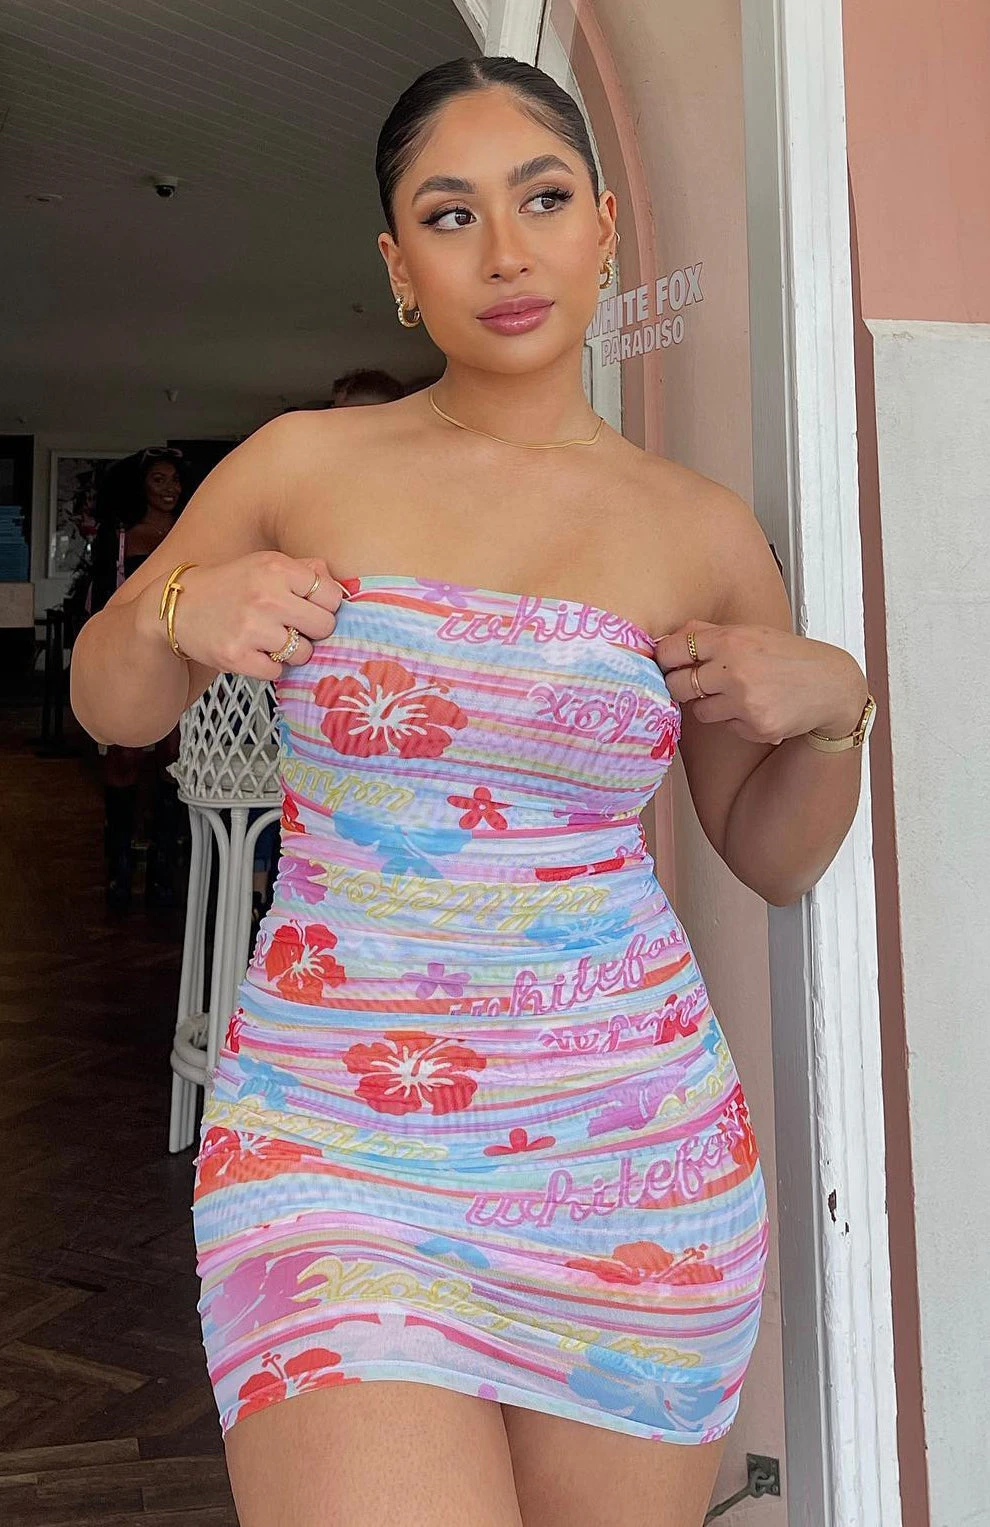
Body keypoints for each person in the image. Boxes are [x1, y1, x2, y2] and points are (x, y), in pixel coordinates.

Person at [70, 55, 877, 1527]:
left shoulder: (696, 531)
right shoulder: (303, 462)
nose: (504, 251)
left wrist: (839, 714)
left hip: (629, 1159)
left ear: (604, 228)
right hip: (334, 1143)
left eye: (543, 199)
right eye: (450, 215)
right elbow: (109, 703)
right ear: (398, 267)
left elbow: (767, 854)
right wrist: (179, 605)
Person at [83, 447, 189, 909]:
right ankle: (120, 868)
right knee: (125, 753)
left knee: (172, 757)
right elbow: (103, 599)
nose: (169, 489)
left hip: (182, 655)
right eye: (158, 479)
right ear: (141, 486)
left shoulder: (191, 530)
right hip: (130, 656)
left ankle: (164, 867)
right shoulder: (121, 535)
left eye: (174, 480)